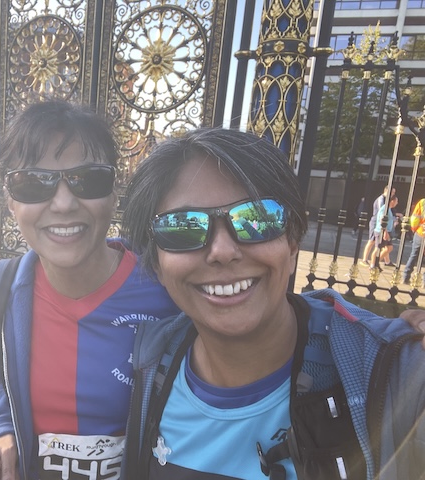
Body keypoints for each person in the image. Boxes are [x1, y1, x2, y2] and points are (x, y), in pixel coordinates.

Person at [121, 128, 425, 479]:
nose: (222, 251)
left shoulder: (393, 375)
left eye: (257, 218)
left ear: (293, 243)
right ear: (157, 263)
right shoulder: (149, 366)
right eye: (183, 227)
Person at [0, 101, 180, 480]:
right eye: (33, 183)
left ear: (115, 192)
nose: (63, 204)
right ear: (10, 201)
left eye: (88, 179)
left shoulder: (169, 293)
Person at [360, 186, 395, 266]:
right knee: (372, 241)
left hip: (380, 223)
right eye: (392, 192)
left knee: (383, 242)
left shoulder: (385, 200)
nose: (393, 194)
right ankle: (364, 259)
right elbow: (381, 212)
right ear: (387, 191)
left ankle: (387, 261)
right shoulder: (381, 199)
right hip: (376, 222)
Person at [370, 195, 398, 270]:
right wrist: (385, 231)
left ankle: (376, 262)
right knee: (377, 249)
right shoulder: (384, 209)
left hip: (386, 232)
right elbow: (382, 220)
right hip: (381, 232)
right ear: (392, 201)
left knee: (389, 247)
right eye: (396, 201)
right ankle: (373, 265)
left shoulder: (389, 209)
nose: (397, 203)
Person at [402, 197, 425, 286]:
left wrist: (415, 229)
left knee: (414, 255)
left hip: (420, 232)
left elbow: (414, 218)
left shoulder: (422, 202)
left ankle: (406, 277)